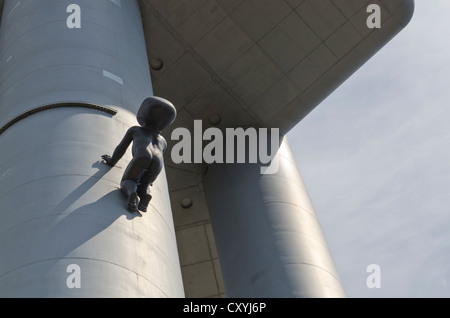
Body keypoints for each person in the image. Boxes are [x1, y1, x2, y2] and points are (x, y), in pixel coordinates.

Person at [102, 96, 176, 212]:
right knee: (145, 184)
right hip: (158, 162)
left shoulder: (136, 130)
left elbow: (121, 148)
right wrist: (150, 181)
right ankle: (145, 195)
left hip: (143, 155)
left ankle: (132, 193)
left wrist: (112, 161)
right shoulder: (163, 141)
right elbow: (161, 154)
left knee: (128, 181)